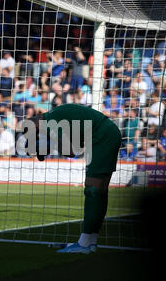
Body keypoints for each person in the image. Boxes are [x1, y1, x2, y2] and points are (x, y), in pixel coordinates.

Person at [26, 103, 121, 253]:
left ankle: (84, 243)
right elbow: (76, 147)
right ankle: (90, 241)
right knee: (99, 192)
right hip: (106, 134)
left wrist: (47, 147)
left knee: (93, 190)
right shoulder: (54, 116)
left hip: (102, 137)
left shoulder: (49, 124)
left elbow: (70, 152)